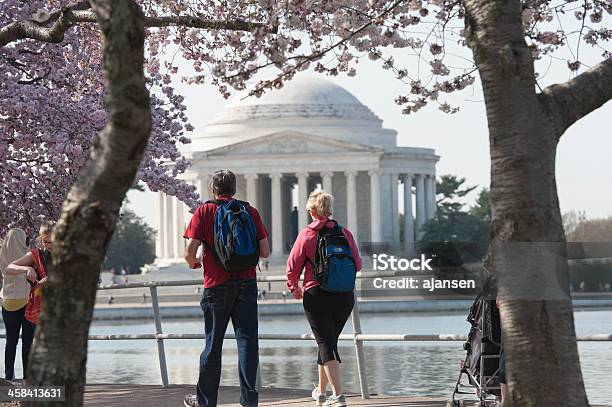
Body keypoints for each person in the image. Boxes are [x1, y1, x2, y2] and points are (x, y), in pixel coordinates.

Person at [183, 169, 270, 407]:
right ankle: (249, 401)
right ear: (234, 189)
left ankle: (206, 401)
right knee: (247, 343)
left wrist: (194, 262)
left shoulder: (205, 211)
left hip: (216, 285)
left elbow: (190, 250)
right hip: (246, 284)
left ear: (213, 189)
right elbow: (265, 251)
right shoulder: (249, 211)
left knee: (213, 345)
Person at [286, 191, 362, 407]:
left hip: (317, 294)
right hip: (344, 297)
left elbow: (293, 266)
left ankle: (339, 397)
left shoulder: (307, 234)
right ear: (329, 210)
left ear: (311, 212)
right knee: (328, 343)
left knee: (326, 344)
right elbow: (357, 264)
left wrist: (293, 286)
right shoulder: (345, 233)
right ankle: (321, 392)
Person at [4, 221, 55, 378]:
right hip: (38, 307)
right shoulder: (35, 254)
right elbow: (8, 268)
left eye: (53, 241)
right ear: (40, 239)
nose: (49, 245)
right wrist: (28, 268)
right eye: (45, 241)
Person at [0, 228, 30, 380]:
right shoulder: (28, 255)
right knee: (27, 342)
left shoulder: (2, 254)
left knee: (10, 342)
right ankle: (27, 378)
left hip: (7, 302)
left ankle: (8, 376)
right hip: (25, 300)